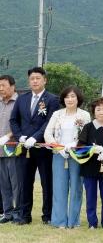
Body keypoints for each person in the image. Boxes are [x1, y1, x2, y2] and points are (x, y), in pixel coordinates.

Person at [10, 67, 60, 225]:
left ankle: (48, 215)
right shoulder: (21, 99)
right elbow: (14, 120)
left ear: (44, 80)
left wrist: (35, 137)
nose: (35, 81)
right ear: (29, 81)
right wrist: (20, 137)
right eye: (32, 78)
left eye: (38, 78)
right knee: (25, 182)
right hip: (24, 148)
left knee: (47, 182)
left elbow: (50, 122)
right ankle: (25, 215)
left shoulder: (52, 99)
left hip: (43, 148)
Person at [44, 86, 91, 228]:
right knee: (59, 188)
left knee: (76, 188)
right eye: (67, 97)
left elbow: (86, 135)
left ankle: (73, 221)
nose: (70, 99)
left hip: (76, 154)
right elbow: (47, 133)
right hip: (59, 155)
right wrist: (57, 147)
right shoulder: (57, 114)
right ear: (63, 99)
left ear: (78, 99)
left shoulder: (84, 115)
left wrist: (73, 145)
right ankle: (59, 221)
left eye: (73, 96)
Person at [78, 97, 103, 230]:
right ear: (93, 112)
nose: (101, 112)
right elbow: (81, 145)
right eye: (98, 109)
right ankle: (92, 223)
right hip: (89, 167)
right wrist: (91, 149)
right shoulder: (88, 127)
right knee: (90, 196)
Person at [0, 75, 20, 224]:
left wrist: (8, 136)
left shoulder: (20, 102)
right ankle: (7, 213)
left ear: (13, 86)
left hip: (13, 149)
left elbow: (21, 124)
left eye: (3, 85)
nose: (1, 89)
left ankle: (18, 213)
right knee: (3, 184)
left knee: (16, 184)